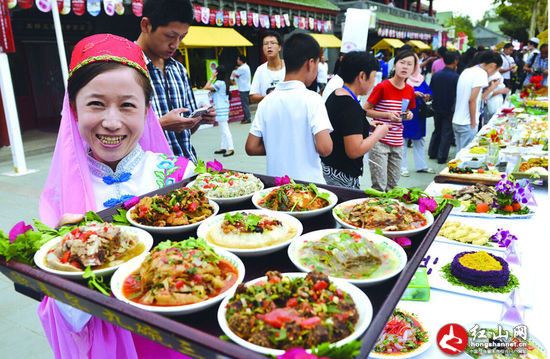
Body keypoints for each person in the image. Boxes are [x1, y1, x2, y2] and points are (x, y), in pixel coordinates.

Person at [39, 34, 195, 359]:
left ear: (147, 110)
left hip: (173, 342)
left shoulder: (180, 177)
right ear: (74, 109)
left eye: (127, 105)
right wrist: (68, 259)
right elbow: (62, 312)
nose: (111, 122)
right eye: (96, 104)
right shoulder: (58, 197)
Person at [245, 33, 333, 183]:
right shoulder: (312, 99)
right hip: (309, 190)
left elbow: (251, 147)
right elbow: (325, 148)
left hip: (278, 188)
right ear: (310, 63)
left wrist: (279, 145)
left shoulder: (267, 101)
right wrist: (298, 145)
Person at [136, 0, 216, 163]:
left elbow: (186, 132)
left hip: (187, 170)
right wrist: (161, 125)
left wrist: (198, 119)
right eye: (170, 36)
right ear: (146, 25)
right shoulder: (124, 68)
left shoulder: (178, 70)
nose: (175, 44)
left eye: (182, 37)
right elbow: (113, 135)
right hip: (150, 179)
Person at [321, 52, 389, 188]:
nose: (374, 82)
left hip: (329, 168)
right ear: (362, 76)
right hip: (342, 175)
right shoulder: (350, 106)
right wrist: (378, 134)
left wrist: (366, 126)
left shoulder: (336, 94)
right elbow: (354, 150)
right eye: (374, 77)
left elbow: (343, 128)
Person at [364, 50, 416, 192]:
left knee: (393, 186)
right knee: (379, 186)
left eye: (409, 64)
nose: (405, 67)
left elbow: (408, 112)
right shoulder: (382, 86)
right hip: (379, 142)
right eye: (402, 63)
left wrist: (409, 115)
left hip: (398, 142)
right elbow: (365, 110)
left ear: (413, 69)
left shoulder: (410, 90)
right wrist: (387, 115)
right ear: (395, 65)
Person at [452, 51, 502, 153]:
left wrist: (492, 88)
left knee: (459, 154)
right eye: (496, 70)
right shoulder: (481, 74)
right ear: (493, 65)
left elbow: (478, 98)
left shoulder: (467, 71)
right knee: (465, 155)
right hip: (467, 122)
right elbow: (472, 100)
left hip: (457, 120)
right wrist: (473, 122)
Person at [401, 54, 434, 176]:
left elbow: (429, 91)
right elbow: (401, 94)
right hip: (407, 111)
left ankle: (421, 165)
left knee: (419, 140)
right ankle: (402, 167)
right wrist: (413, 94)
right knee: (402, 139)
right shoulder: (404, 79)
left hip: (419, 113)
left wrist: (427, 96)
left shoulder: (420, 78)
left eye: (412, 64)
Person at [428, 51, 460, 164]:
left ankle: (432, 152)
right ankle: (441, 156)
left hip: (436, 106)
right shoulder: (456, 77)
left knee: (437, 129)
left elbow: (431, 90)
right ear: (455, 61)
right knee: (446, 132)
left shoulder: (436, 75)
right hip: (449, 107)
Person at [204, 65, 234, 157]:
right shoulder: (224, 82)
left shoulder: (219, 83)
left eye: (215, 71)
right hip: (223, 107)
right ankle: (224, 147)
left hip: (221, 108)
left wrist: (212, 77)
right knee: (223, 128)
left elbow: (206, 87)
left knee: (224, 128)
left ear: (217, 73)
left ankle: (231, 148)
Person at [250, 30, 285, 103]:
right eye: (265, 44)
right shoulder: (260, 70)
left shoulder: (290, 67)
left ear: (279, 47)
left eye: (273, 43)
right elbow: (252, 97)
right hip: (268, 113)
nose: (269, 46)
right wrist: (268, 97)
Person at [231, 54, 252, 124]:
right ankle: (246, 117)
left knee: (245, 104)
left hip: (243, 88)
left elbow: (234, 74)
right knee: (245, 104)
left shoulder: (242, 68)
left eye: (238, 59)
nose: (237, 61)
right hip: (246, 87)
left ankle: (248, 118)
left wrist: (234, 71)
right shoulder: (246, 66)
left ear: (241, 60)